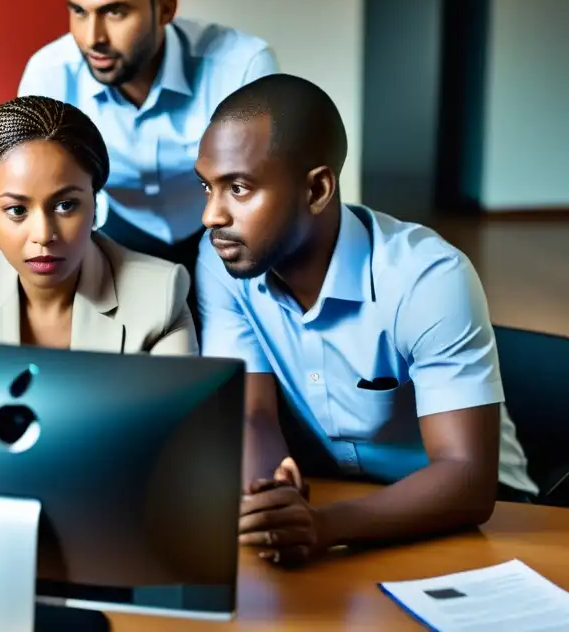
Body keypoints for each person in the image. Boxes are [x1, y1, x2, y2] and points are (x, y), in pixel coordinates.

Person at [193, 73, 537, 565]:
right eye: (207, 186)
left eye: (239, 188)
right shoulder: (223, 262)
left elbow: (466, 476)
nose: (211, 215)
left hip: (476, 515)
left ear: (316, 189)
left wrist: (323, 526)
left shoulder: (429, 277)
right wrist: (270, 501)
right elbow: (252, 412)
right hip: (333, 498)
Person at [17, 0, 278, 285]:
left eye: (115, 12)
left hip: (221, 239)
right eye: (79, 11)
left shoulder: (240, 67)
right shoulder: (49, 75)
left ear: (166, 8)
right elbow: (33, 200)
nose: (93, 38)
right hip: (105, 238)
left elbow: (261, 195)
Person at [0, 96, 197, 354]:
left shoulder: (159, 293)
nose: (44, 235)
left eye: (65, 205)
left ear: (95, 204)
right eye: (17, 210)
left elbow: (180, 413)